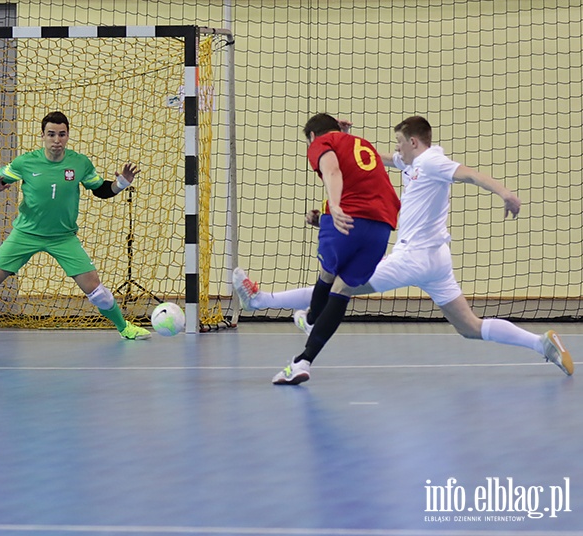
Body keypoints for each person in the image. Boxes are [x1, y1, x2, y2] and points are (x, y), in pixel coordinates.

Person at [234, 115, 573, 380]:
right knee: (470, 327)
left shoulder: (431, 163)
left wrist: (505, 193)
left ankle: (264, 303)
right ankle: (541, 343)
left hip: (412, 257)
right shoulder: (411, 164)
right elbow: (371, 160)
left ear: (413, 141)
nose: (396, 149)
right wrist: (341, 137)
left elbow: (469, 174)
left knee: (341, 284)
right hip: (436, 259)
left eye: (399, 142)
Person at [0, 111, 151, 341]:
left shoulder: (80, 163)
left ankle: (125, 328)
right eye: (51, 134)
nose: (57, 139)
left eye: (62, 134)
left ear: (67, 136)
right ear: (43, 135)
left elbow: (102, 191)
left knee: (98, 292)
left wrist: (122, 182)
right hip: (25, 234)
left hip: (63, 237)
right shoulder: (25, 162)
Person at [236, 113, 401, 385]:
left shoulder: (320, 144)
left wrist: (334, 206)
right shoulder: (361, 143)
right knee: (342, 291)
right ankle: (303, 361)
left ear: (313, 136)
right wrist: (344, 135)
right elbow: (356, 167)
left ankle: (310, 318)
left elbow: (333, 170)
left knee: (326, 276)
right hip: (382, 226)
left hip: (348, 219)